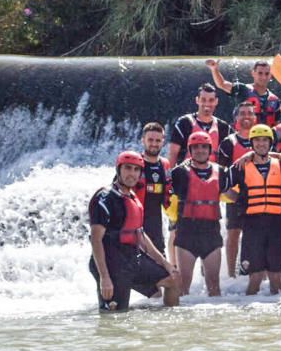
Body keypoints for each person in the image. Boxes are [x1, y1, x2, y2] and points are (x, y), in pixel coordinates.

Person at [89, 151, 179, 311]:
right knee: (115, 316)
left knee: (171, 280)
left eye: (136, 170)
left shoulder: (132, 197)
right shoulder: (104, 198)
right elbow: (96, 240)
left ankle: (167, 328)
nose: (132, 173)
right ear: (118, 169)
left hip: (132, 258)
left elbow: (141, 235)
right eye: (128, 168)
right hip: (111, 263)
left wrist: (165, 262)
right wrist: (104, 277)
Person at [225, 124, 281, 295]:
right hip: (253, 225)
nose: (261, 144)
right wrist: (239, 199)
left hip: (276, 225)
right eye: (257, 141)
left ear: (270, 143)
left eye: (265, 140)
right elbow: (221, 184)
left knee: (276, 278)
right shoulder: (241, 166)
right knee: (255, 277)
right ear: (252, 144)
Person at [168, 132, 225, 297]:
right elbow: (166, 196)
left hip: (211, 233)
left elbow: (234, 193)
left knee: (214, 286)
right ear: (190, 150)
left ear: (209, 149)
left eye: (204, 147)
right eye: (196, 147)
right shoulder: (178, 173)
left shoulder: (221, 172)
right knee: (183, 285)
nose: (200, 150)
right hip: (187, 233)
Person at [217, 101, 256, 278]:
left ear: (255, 118)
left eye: (250, 113)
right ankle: (231, 274)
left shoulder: (263, 140)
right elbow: (220, 175)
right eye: (242, 113)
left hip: (258, 195)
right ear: (236, 118)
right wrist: (232, 195)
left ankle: (255, 273)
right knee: (233, 233)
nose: (246, 116)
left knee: (256, 235)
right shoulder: (228, 143)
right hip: (236, 196)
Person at [169, 83, 233, 165]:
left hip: (214, 175)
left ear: (216, 101)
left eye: (211, 100)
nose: (207, 104)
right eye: (203, 100)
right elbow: (172, 154)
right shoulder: (184, 123)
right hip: (186, 174)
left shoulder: (224, 127)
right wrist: (170, 176)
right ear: (197, 100)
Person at [206, 58, 281, 127]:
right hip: (243, 138)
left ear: (271, 76)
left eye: (267, 74)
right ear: (253, 73)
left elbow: (276, 125)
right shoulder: (243, 90)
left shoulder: (275, 100)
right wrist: (214, 69)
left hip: (264, 140)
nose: (263, 77)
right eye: (260, 73)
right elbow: (222, 84)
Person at [135, 122, 171, 254]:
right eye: (150, 140)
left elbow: (169, 193)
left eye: (158, 140)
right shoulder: (133, 163)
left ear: (163, 142)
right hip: (134, 226)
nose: (154, 144)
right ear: (143, 140)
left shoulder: (165, 165)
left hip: (156, 228)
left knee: (162, 270)